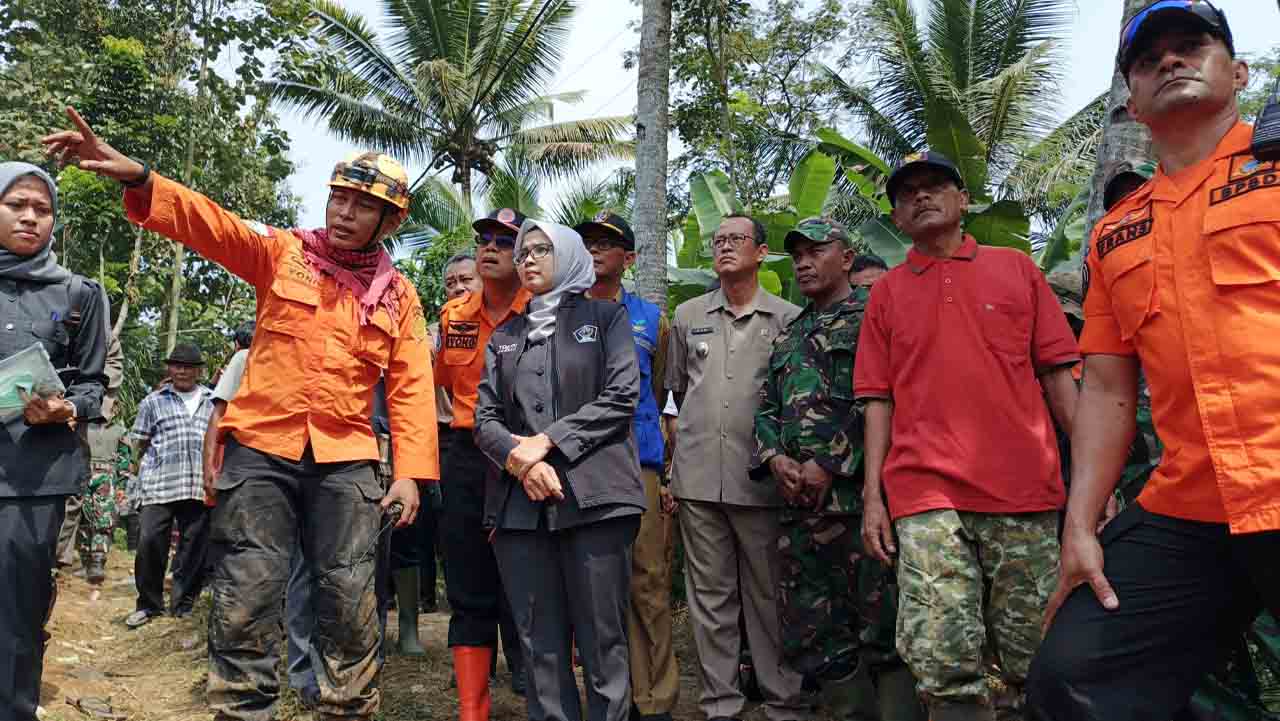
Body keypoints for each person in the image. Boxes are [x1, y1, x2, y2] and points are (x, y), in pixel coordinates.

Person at [43, 109, 438, 721]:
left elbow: (412, 385)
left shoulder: (401, 297)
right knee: (246, 596)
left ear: (388, 220)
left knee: (350, 598)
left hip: (347, 461)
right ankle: (240, 710)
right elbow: (213, 226)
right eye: (338, 198)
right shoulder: (283, 254)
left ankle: (347, 709)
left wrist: (410, 471)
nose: (343, 213)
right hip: (259, 453)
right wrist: (139, 177)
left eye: (362, 206)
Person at [1026, 3, 1280, 718]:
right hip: (1191, 504)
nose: (1168, 61)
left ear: (1238, 72)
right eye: (1147, 59)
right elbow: (1106, 386)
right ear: (1133, 104)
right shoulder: (1116, 231)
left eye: (1191, 47)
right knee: (1073, 675)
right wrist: (1080, 525)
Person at [853, 151, 1080, 721]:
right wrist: (873, 497)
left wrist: (1092, 486)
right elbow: (877, 399)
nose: (922, 197)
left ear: (963, 201)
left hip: (1023, 488)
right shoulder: (886, 293)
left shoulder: (1016, 269)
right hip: (924, 493)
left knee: (1039, 646)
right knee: (942, 651)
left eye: (936, 186)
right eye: (908, 194)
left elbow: (1058, 375)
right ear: (897, 218)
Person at [475, 218, 645, 721]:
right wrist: (520, 462)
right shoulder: (505, 335)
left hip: (596, 500)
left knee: (603, 641)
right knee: (539, 646)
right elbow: (484, 420)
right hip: (519, 510)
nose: (528, 258)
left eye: (542, 249)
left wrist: (546, 444)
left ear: (569, 254)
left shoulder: (607, 318)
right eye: (523, 251)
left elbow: (620, 399)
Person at [754, 218, 924, 721]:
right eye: (797, 254)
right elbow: (767, 407)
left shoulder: (878, 313)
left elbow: (891, 397)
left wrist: (832, 462)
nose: (803, 262)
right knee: (817, 637)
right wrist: (774, 457)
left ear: (847, 258)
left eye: (816, 251)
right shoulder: (792, 331)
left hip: (863, 508)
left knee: (885, 632)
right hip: (801, 514)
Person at [666, 214, 807, 721]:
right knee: (710, 599)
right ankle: (721, 703)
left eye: (736, 240)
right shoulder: (687, 315)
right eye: (718, 239)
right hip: (700, 478)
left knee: (768, 595)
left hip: (762, 480)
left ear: (761, 252)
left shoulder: (788, 318)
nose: (725, 247)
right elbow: (680, 391)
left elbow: (795, 399)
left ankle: (781, 699)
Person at [0, 161, 109, 721]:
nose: (29, 217)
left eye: (41, 209)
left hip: (30, 478)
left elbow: (93, 385)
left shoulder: (79, 294)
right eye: (16, 204)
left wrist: (65, 406)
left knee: (18, 611)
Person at [576, 211, 678, 721]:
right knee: (593, 587)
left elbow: (659, 395)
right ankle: (607, 697)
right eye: (587, 241)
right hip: (577, 465)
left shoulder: (651, 320)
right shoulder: (560, 315)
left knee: (648, 580)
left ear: (629, 258)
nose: (595, 250)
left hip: (636, 464)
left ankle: (653, 699)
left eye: (606, 243)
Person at [436, 208, 531, 718]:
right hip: (467, 454)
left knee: (528, 577)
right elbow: (448, 382)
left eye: (503, 240)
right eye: (484, 240)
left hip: (526, 456)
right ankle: (473, 708)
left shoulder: (543, 310)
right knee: (468, 579)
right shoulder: (454, 317)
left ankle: (538, 685)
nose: (490, 247)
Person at [125, 342, 215, 628]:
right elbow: (137, 441)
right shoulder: (153, 401)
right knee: (150, 541)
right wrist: (133, 477)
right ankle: (149, 605)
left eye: (189, 367)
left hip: (198, 485)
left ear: (199, 371)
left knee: (193, 548)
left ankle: (183, 605)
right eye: (177, 365)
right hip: (159, 483)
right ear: (169, 368)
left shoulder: (214, 401)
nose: (182, 371)